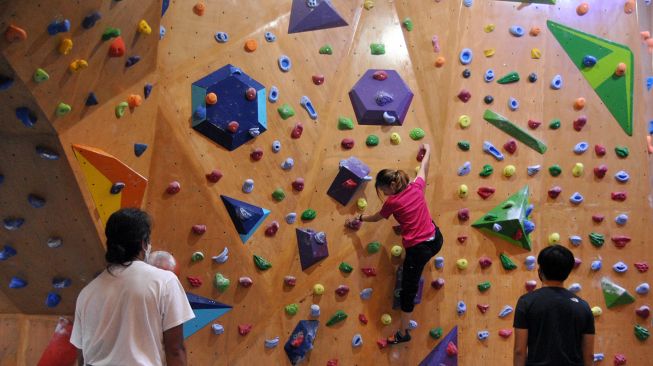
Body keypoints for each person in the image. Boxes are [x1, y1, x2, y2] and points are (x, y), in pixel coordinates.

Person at [70, 208, 195, 366]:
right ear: (143, 244)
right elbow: (175, 349)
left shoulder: (87, 293)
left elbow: (82, 356)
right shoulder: (164, 282)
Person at [347, 144, 443, 344]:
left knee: (408, 292)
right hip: (436, 238)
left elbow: (376, 218)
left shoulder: (392, 202)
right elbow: (424, 168)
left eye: (383, 190)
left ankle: (403, 333)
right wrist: (428, 150)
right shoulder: (417, 186)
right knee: (423, 220)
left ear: (390, 186)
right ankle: (409, 228)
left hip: (419, 251)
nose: (385, 194)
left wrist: (361, 217)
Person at [513, 245, 595, 366]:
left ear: (540, 271)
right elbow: (589, 355)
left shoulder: (526, 302)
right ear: (568, 272)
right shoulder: (583, 307)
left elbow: (519, 351)